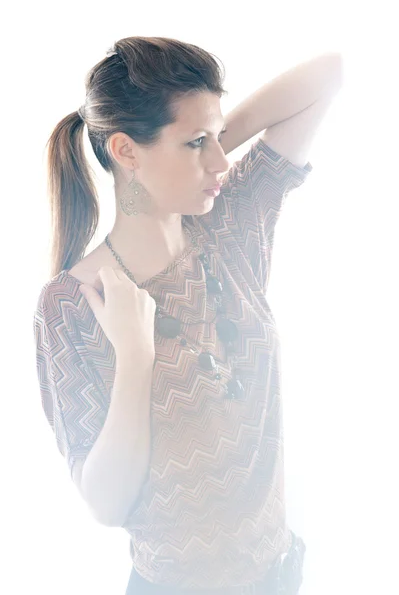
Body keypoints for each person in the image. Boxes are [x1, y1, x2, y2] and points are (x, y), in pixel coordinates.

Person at [33, 36, 312, 594]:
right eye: (195, 144)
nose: (220, 162)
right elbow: (107, 505)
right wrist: (135, 357)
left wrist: (206, 135)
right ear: (126, 150)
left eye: (217, 141)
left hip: (279, 571)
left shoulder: (231, 223)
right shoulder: (72, 306)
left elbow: (332, 74)